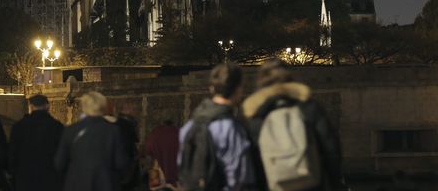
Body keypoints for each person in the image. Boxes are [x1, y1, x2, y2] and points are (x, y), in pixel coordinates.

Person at [242, 59, 344, 191]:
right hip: (311, 183)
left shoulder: (255, 116)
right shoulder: (309, 107)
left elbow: (251, 161)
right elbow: (331, 149)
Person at [178, 63, 257, 191]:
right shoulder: (230, 127)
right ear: (238, 89)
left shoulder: (190, 125)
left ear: (212, 88)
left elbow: (183, 166)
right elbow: (239, 177)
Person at [55, 92, 129, 191]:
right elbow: (121, 162)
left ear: (84, 107)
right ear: (103, 107)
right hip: (105, 184)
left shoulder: (71, 130)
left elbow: (59, 163)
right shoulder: (113, 131)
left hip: (77, 185)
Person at [9, 94, 64, 191]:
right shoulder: (57, 127)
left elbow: (12, 153)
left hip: (25, 176)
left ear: (31, 106)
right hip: (49, 177)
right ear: (47, 106)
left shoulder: (19, 126)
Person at [144, 120, 179, 188]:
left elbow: (148, 148)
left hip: (159, 174)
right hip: (176, 174)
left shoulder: (155, 133)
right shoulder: (179, 132)